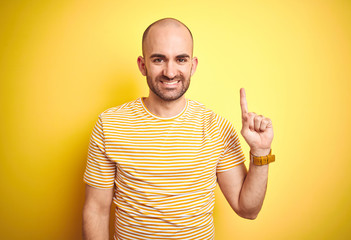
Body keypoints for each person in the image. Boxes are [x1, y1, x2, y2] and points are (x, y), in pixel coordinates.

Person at [82, 18, 274, 240]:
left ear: (192, 65)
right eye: (158, 59)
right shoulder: (109, 124)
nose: (170, 72)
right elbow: (95, 211)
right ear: (143, 65)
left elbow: (248, 209)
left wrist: (261, 152)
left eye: (180, 59)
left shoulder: (216, 127)